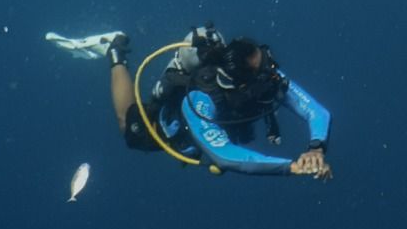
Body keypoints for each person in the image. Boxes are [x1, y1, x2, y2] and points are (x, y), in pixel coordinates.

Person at [106, 24, 332, 179]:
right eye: (265, 69)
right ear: (244, 85)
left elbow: (317, 112)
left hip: (225, 119)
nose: (274, 72)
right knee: (129, 127)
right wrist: (291, 167)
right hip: (171, 128)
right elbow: (224, 156)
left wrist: (316, 148)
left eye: (267, 60)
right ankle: (115, 51)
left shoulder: (268, 77)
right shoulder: (199, 99)